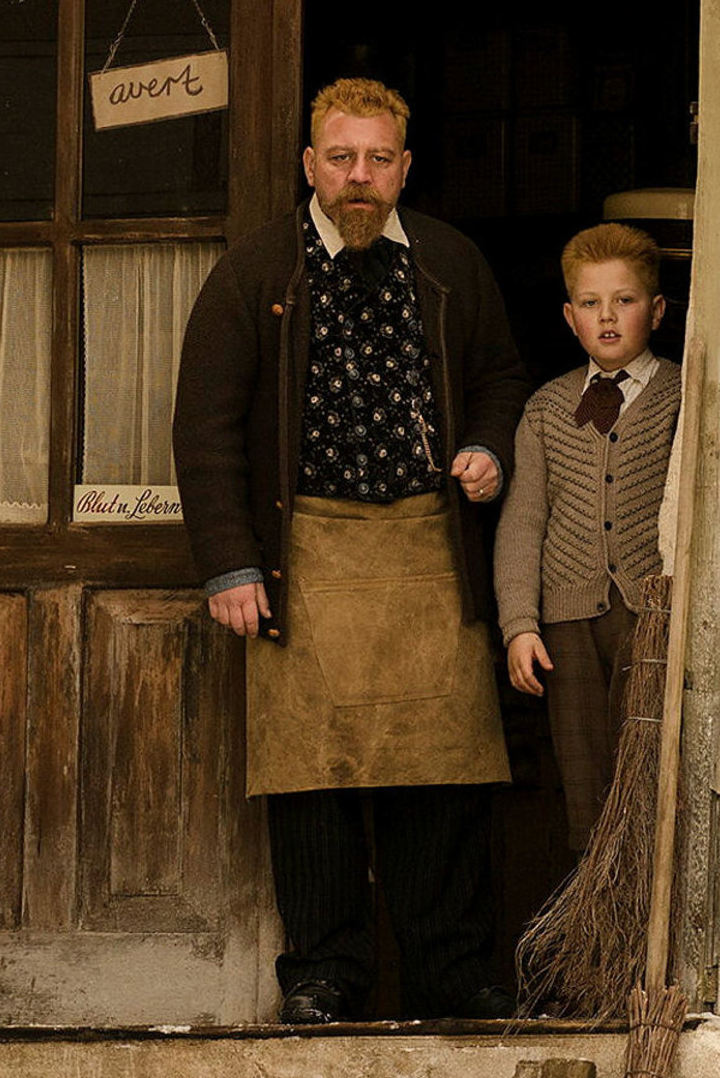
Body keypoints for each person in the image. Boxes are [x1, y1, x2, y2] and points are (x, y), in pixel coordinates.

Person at [172, 77, 532, 1025]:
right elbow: (204, 426)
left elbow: (501, 376)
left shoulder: (452, 262)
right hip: (308, 560)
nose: (359, 178)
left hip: (428, 555)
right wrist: (230, 563)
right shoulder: (255, 274)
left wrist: (489, 449)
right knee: (311, 783)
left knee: (441, 779)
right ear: (310, 167)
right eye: (342, 159)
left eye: (378, 159)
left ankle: (451, 975)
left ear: (405, 168)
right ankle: (325, 976)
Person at [494, 223, 680, 851]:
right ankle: (595, 927)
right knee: (584, 785)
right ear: (570, 317)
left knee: (652, 773)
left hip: (650, 616)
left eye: (624, 301)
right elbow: (523, 521)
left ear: (655, 311)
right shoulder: (548, 409)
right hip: (567, 626)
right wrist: (520, 624)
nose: (608, 317)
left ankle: (651, 921)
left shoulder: (683, 394)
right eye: (592, 304)